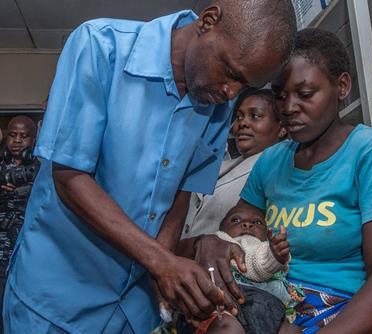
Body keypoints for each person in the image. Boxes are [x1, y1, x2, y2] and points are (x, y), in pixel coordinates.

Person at [2, 1, 296, 333]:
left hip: (133, 308)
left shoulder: (218, 102)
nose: (231, 91)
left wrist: (165, 269)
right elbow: (69, 177)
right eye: (230, 72)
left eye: (243, 85)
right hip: (58, 297)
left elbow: (181, 192)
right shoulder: (100, 46)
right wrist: (160, 261)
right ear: (208, 21)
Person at [191, 28, 372, 334]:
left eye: (306, 94)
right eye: (280, 96)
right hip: (270, 304)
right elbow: (237, 231)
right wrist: (210, 243)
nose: (288, 107)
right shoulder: (272, 160)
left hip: (341, 315)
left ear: (342, 86)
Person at [170, 203, 302, 334]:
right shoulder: (219, 242)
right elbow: (257, 264)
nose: (247, 224)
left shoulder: (263, 247)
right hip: (225, 307)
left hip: (267, 310)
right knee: (228, 329)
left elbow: (260, 261)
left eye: (257, 222)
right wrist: (271, 258)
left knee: (291, 330)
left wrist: (274, 254)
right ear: (221, 229)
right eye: (236, 220)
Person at [182, 88, 287, 238]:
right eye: (239, 117)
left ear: (282, 128)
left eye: (255, 116)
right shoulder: (220, 163)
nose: (243, 123)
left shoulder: (279, 167)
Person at [0, 116, 39, 333]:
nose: (16, 141)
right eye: (13, 135)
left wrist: (24, 190)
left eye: (23, 136)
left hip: (26, 245)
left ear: (33, 140)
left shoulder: (40, 168)